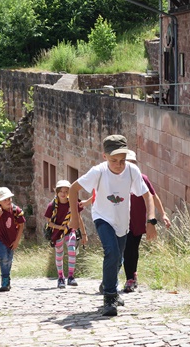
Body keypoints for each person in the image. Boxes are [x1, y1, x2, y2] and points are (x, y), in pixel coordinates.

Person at [69, 134, 157, 317]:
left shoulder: (132, 170)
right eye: (114, 160)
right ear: (105, 156)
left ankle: (107, 284)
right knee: (112, 252)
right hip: (102, 218)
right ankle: (109, 298)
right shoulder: (98, 172)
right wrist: (75, 218)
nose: (119, 164)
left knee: (118, 259)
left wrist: (151, 220)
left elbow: (147, 195)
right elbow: (73, 189)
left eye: (122, 160)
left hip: (122, 221)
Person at [122, 150, 171, 293]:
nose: (130, 166)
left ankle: (132, 275)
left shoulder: (142, 178)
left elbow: (153, 196)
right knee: (125, 249)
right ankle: (127, 278)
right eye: (128, 163)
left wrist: (163, 214)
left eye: (133, 163)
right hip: (121, 220)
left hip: (137, 220)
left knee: (132, 248)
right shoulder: (117, 179)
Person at [44, 180, 89, 289]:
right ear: (57, 192)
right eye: (61, 191)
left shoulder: (73, 203)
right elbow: (49, 222)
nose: (63, 194)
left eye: (66, 191)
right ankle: (60, 277)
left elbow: (78, 218)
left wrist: (84, 234)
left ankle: (71, 276)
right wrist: (61, 227)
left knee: (72, 250)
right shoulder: (52, 206)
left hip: (70, 230)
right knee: (59, 254)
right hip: (57, 232)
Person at [0, 186, 26, 292]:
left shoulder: (15, 210)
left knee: (9, 259)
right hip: (0, 238)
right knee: (4, 258)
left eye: (9, 199)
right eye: (5, 200)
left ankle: (7, 277)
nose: (8, 201)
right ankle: (4, 279)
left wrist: (17, 241)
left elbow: (21, 225)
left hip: (11, 239)